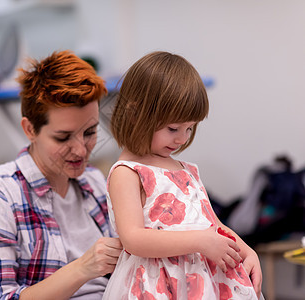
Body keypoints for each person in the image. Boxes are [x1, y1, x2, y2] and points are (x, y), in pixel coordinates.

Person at [0, 50, 122, 299]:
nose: (80, 150)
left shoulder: (94, 182)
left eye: (89, 132)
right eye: (63, 137)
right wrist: (82, 268)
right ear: (30, 129)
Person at [103, 51, 263, 299]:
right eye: (173, 128)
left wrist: (246, 250)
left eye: (189, 128)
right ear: (135, 114)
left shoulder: (186, 170)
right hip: (157, 284)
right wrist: (200, 242)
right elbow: (133, 239)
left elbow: (214, 225)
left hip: (202, 280)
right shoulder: (127, 172)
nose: (182, 138)